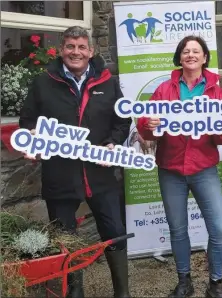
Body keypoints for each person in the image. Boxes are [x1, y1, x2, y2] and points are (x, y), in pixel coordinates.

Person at [19, 26, 132, 298]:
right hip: (60, 173)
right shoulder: (43, 81)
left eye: (82, 47)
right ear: (61, 50)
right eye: (70, 46)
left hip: (101, 173)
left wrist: (113, 143)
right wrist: (31, 138)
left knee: (115, 231)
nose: (76, 52)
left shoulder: (108, 81)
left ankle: (123, 292)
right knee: (65, 238)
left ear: (91, 52)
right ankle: (74, 292)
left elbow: (122, 120)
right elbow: (27, 120)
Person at [136, 35, 222, 298]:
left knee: (219, 229)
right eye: (185, 51)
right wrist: (149, 125)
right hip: (170, 169)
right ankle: (184, 280)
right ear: (179, 58)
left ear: (205, 57)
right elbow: (146, 127)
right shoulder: (164, 90)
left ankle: (215, 282)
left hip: (203, 169)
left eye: (196, 51)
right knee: (178, 228)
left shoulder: (218, 90)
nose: (190, 55)